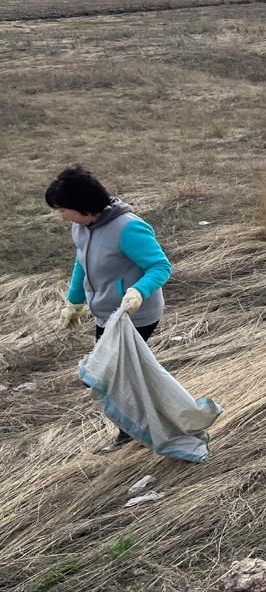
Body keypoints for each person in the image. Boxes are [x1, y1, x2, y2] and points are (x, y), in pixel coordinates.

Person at [46, 165, 173, 451]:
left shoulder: (128, 228)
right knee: (114, 376)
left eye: (64, 208)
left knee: (111, 377)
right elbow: (82, 263)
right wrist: (74, 302)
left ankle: (134, 433)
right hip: (107, 313)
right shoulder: (81, 228)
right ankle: (134, 429)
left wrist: (138, 293)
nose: (62, 214)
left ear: (84, 206)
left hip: (135, 315)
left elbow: (160, 266)